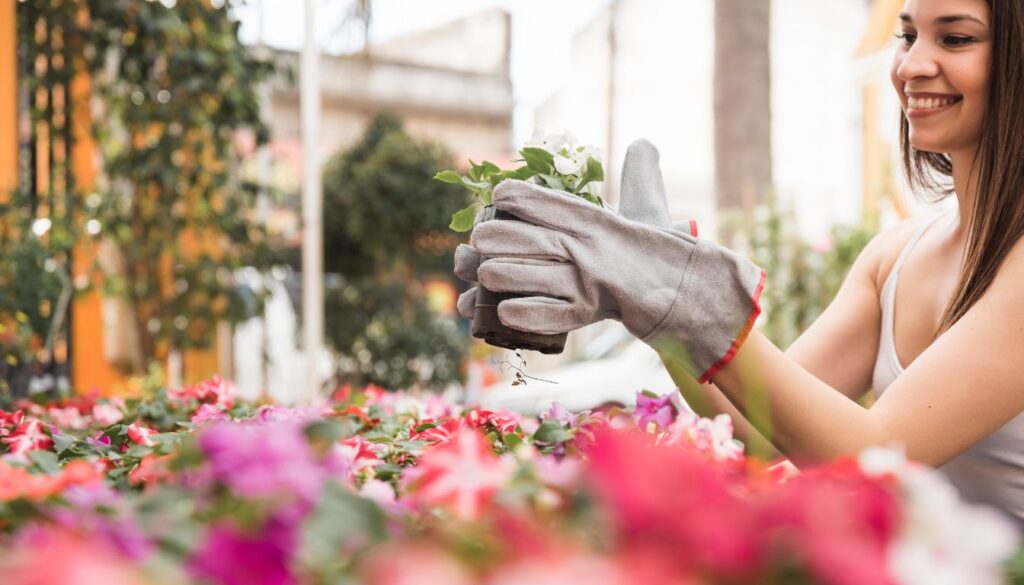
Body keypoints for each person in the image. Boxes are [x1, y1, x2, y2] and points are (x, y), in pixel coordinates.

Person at [453, 0, 1024, 527]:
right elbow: (754, 428)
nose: (911, 65)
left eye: (954, 38)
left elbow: (875, 452)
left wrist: (682, 293)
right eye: (907, 35)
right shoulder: (894, 256)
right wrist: (649, 304)